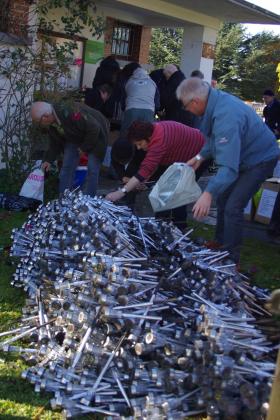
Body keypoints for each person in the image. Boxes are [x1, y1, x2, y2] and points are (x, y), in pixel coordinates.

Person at [176, 77, 279, 263]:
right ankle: (219, 243)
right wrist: (200, 157)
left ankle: (231, 259)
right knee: (223, 197)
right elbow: (215, 140)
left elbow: (228, 168)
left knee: (233, 206)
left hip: (260, 158)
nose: (187, 110)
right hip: (244, 155)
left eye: (185, 106)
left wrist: (207, 193)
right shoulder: (215, 103)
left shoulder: (226, 116)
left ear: (196, 101)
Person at [106, 120, 205, 230]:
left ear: (147, 137)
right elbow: (153, 166)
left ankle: (179, 228)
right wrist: (145, 181)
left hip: (200, 154)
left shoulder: (158, 141)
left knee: (177, 194)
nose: (138, 148)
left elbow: (146, 168)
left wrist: (121, 192)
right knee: (164, 193)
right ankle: (162, 225)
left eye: (139, 144)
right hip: (182, 158)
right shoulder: (154, 132)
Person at [31, 101, 109, 197]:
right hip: (75, 135)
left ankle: (88, 201)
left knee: (92, 169)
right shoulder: (51, 122)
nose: (39, 125)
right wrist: (48, 160)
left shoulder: (71, 112)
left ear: (46, 116)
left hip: (97, 134)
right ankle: (63, 197)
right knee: (67, 166)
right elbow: (54, 143)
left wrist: (84, 148)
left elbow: (94, 128)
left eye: (38, 122)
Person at [120, 66, 158, 136]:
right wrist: (154, 112)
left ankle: (124, 146)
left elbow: (123, 99)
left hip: (131, 110)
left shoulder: (129, 81)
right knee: (147, 135)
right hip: (148, 111)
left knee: (127, 134)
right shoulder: (152, 82)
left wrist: (125, 109)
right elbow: (157, 101)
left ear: (133, 73)